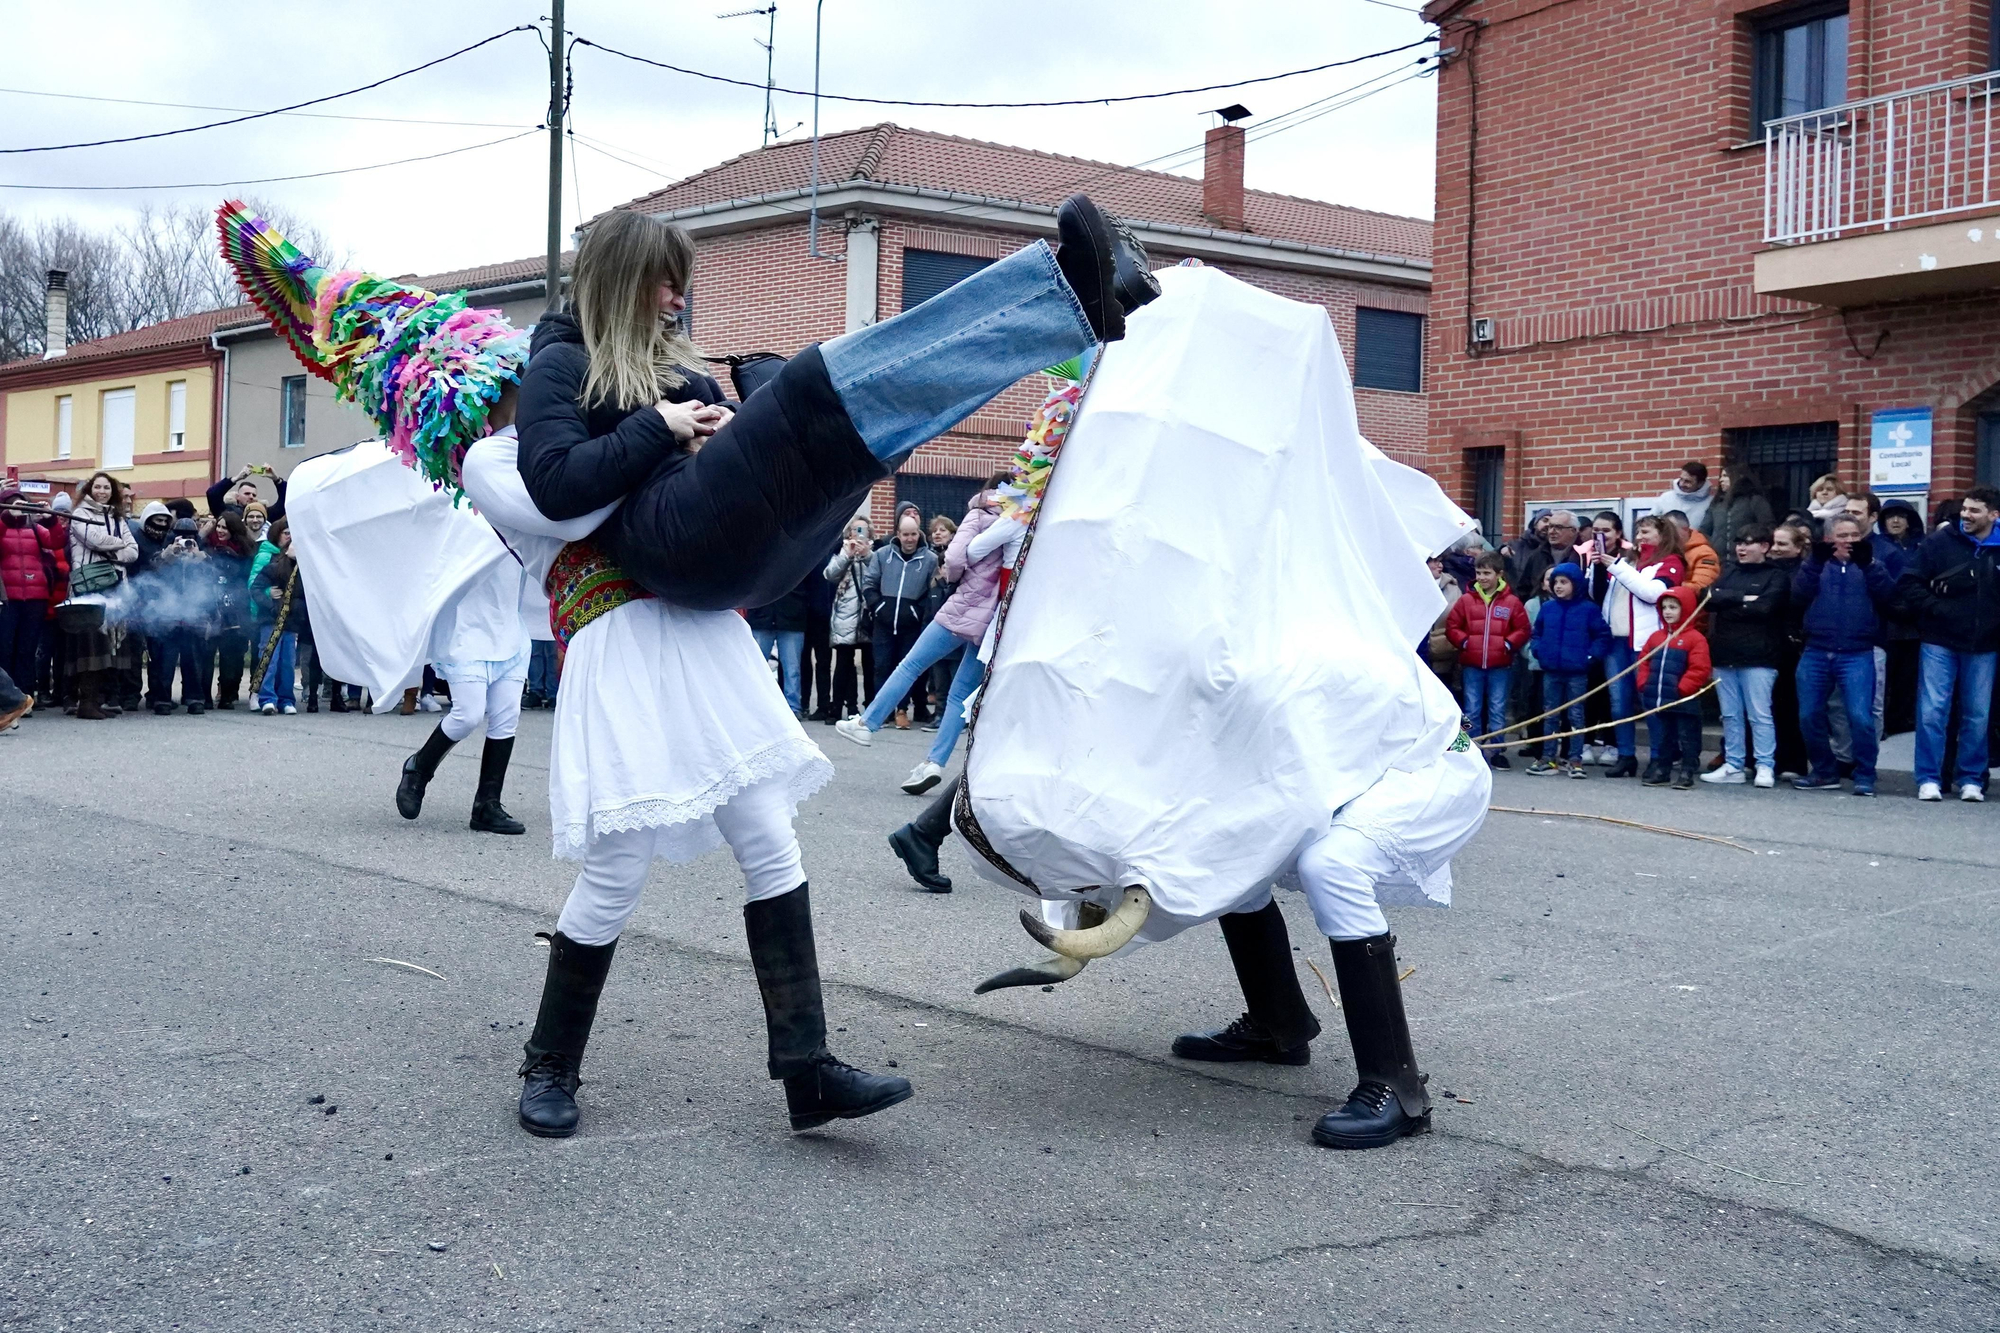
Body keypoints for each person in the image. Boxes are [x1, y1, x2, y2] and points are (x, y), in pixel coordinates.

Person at [836, 476, 1020, 793]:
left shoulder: (979, 515)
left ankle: (868, 723)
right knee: (959, 695)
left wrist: (955, 575)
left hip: (965, 606)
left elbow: (957, 557)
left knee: (911, 664)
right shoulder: (1024, 521)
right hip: (994, 620)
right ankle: (934, 762)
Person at [1895, 485, 2000, 802]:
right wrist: (1938, 610)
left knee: (1978, 715)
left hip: (1985, 643)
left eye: (1974, 510)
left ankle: (1971, 779)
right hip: (1939, 639)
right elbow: (1909, 582)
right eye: (1965, 509)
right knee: (1932, 711)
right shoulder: (1940, 541)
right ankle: (1928, 777)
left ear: (1994, 516)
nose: (1965, 515)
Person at [1791, 513, 1895, 795]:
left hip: (1857, 651)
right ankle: (1825, 772)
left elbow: (1891, 600)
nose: (1849, 541)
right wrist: (1814, 562)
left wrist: (1869, 564)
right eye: (1843, 536)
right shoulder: (1815, 566)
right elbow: (1797, 597)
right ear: (1829, 539)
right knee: (1809, 715)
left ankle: (1865, 774)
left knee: (1860, 717)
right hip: (1816, 649)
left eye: (1854, 536)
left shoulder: (1872, 565)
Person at [1587, 514, 1686, 777]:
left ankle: (1658, 758)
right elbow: (1600, 596)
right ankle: (1626, 755)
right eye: (1638, 533)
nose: (1640, 538)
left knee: (1649, 703)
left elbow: (1653, 594)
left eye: (1646, 533)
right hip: (1616, 641)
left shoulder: (1670, 562)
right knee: (1619, 704)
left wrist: (1617, 566)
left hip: (1644, 643)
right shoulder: (1630, 560)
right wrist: (1600, 567)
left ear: (1662, 536)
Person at [1700, 523, 1789, 787]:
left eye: (1748, 543)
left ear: (1764, 546)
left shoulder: (1776, 576)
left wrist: (1729, 602)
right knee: (1729, 715)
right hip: (1725, 653)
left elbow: (1766, 608)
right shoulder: (1728, 571)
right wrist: (1744, 598)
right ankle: (1734, 764)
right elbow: (1708, 598)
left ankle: (1764, 766)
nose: (1741, 548)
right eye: (1739, 542)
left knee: (1759, 715)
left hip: (1760, 656)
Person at [64, 471, 139, 721]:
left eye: (107, 488)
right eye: (97, 487)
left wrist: (116, 553)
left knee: (109, 646)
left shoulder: (117, 516)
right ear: (89, 490)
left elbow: (134, 551)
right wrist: (120, 544)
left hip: (115, 585)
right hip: (88, 587)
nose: (102, 492)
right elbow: (92, 539)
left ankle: (97, 700)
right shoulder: (79, 514)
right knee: (92, 644)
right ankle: (85, 702)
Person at [1525, 562, 1609, 777]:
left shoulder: (1588, 610)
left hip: (1577, 671)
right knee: (1550, 714)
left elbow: (1601, 635)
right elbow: (1537, 633)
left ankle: (1574, 759)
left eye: (1564, 582)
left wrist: (1590, 657)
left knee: (1576, 716)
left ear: (1576, 584)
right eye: (1555, 583)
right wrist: (1539, 651)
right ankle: (1548, 758)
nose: (1559, 586)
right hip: (1551, 669)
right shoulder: (1548, 608)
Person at [1445, 552, 1528, 767]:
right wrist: (1465, 643)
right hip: (1472, 664)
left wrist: (1507, 644)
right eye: (1479, 573)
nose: (1482, 577)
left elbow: (1522, 628)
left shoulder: (1511, 602)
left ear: (1499, 575)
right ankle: (1473, 749)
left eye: (1487, 573)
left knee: (1497, 708)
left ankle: (1497, 750)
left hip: (1500, 664)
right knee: (1471, 708)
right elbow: (1452, 626)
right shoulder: (1466, 600)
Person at [860, 511, 938, 728]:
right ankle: (881, 712)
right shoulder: (882, 555)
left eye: (913, 534)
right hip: (883, 623)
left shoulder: (930, 559)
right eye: (905, 534)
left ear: (918, 533)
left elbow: (931, 591)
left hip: (910, 625)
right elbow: (869, 583)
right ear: (898, 534)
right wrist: (879, 607)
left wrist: (916, 612)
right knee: (881, 667)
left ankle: (902, 710)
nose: (910, 539)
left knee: (904, 669)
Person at [1634, 586, 1710, 787]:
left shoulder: (1695, 638)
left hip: (1684, 699)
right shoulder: (1656, 637)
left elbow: (1700, 668)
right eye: (1665, 607)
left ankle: (1687, 771)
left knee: (1688, 737)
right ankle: (1663, 769)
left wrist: (1683, 689)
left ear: (1685, 609)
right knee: (1665, 736)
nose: (1667, 611)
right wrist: (1644, 682)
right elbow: (1644, 662)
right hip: (1661, 697)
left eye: (1673, 607)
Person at [0, 487, 66, 709]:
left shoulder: (35, 530)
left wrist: (51, 520)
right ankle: (8, 699)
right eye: (13, 505)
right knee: (5, 648)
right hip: (8, 598)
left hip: (36, 598)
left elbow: (57, 542)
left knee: (28, 649)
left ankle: (27, 694)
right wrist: (6, 519)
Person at [247, 518, 302, 714]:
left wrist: (295, 608)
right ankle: (267, 698)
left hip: (291, 623)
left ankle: (286, 700)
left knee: (287, 663)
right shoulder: (272, 567)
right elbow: (256, 589)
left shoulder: (304, 571)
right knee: (269, 659)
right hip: (271, 621)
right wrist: (271, 603)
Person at [822, 517, 874, 721]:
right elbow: (829, 574)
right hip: (845, 616)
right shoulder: (843, 551)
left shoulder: (876, 552)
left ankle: (870, 706)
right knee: (844, 665)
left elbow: (881, 574)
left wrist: (867, 555)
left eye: (862, 529)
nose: (858, 533)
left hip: (868, 616)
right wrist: (847, 554)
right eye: (854, 529)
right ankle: (842, 707)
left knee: (870, 665)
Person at [201, 513, 254, 710]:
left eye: (225, 527)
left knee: (232, 656)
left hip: (235, 610)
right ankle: (204, 695)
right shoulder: (207, 547)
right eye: (218, 527)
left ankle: (228, 695)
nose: (220, 531)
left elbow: (247, 579)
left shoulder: (246, 552)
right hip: (210, 607)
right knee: (206, 655)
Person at [746, 571, 810, 716]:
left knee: (792, 669)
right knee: (757, 667)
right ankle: (755, 705)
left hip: (790, 616)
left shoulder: (796, 557)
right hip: (763, 616)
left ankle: (793, 707)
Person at [1700, 460, 1774, 562]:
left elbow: (1768, 528)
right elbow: (1704, 530)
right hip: (1718, 561)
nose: (1721, 480)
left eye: (1725, 476)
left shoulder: (1755, 501)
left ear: (1738, 477)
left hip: (1747, 561)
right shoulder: (1717, 504)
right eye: (1721, 476)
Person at [1651, 460, 1713, 534]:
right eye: (1681, 479)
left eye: (1687, 481)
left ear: (1700, 483)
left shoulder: (1711, 503)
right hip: (1667, 544)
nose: (1681, 484)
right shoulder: (1666, 498)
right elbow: (1650, 524)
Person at [206, 465, 286, 521]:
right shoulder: (226, 511)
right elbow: (212, 494)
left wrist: (277, 479)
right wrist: (236, 478)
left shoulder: (264, 513)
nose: (251, 497)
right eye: (247, 493)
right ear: (237, 496)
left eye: (254, 495)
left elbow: (285, 502)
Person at [1665, 510, 1719, 592]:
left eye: (1671, 529)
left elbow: (1700, 587)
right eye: (1664, 530)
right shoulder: (1663, 551)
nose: (1667, 534)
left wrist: (1663, 586)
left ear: (1685, 529)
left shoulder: (1705, 554)